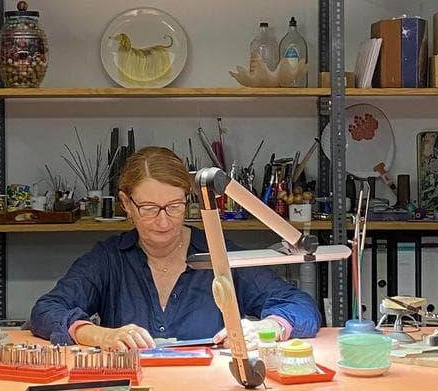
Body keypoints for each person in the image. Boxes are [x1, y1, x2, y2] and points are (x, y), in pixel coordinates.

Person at [30, 146, 321, 350]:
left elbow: (302, 307)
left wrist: (266, 328)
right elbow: (45, 310)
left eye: (174, 206)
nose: (163, 221)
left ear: (188, 199)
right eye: (148, 208)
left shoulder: (218, 255)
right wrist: (99, 335)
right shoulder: (109, 260)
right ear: (126, 204)